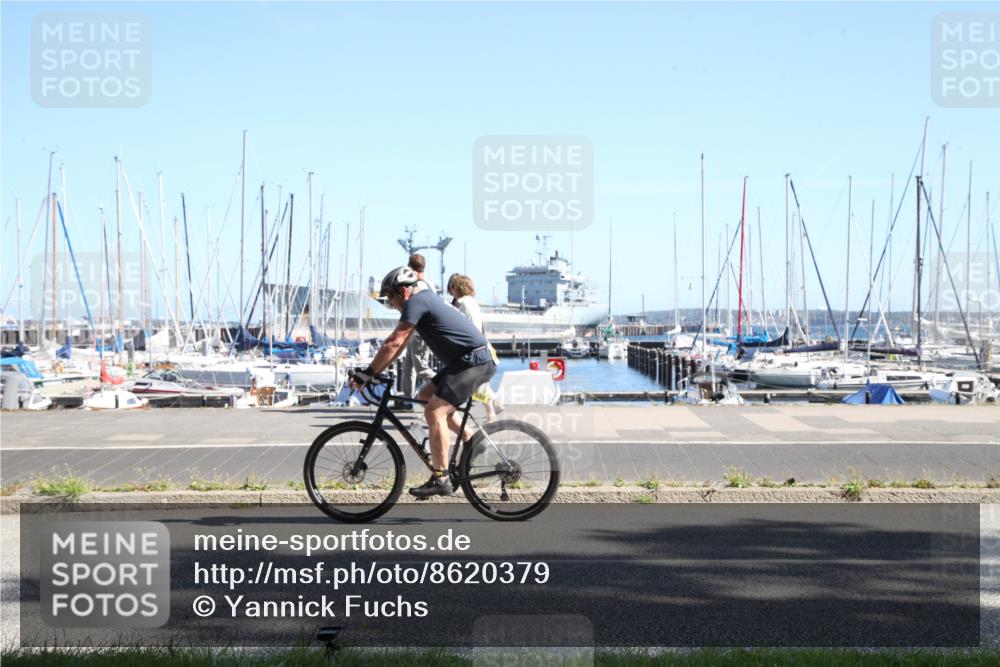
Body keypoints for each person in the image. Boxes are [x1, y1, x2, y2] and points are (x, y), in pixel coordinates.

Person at [351, 266, 497, 498]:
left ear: (404, 292)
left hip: (474, 362)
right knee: (425, 395)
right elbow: (399, 346)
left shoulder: (417, 302)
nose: (392, 304)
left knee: (435, 413)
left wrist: (368, 373)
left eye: (391, 298)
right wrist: (376, 371)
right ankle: (471, 438)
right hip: (465, 362)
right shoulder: (422, 301)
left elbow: (394, 341)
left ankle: (441, 478)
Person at [447, 274, 502, 421]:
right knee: (479, 382)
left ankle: (491, 411)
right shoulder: (473, 301)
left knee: (475, 383)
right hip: (481, 346)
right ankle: (494, 406)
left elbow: (460, 325)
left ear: (456, 288)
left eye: (452, 287)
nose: (451, 291)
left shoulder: (461, 303)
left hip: (471, 349)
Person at [398, 254, 436, 407]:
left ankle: (445, 385)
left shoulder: (420, 285)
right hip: (416, 331)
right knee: (408, 367)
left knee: (421, 368)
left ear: (410, 267)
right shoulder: (428, 283)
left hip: (419, 332)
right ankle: (407, 400)